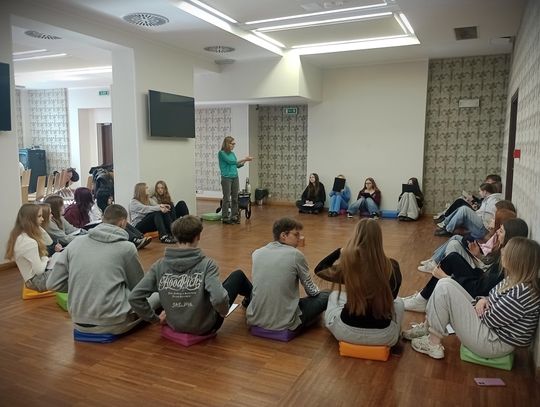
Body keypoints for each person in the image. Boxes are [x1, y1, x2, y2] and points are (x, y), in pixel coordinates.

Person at [402, 237, 540, 360]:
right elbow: (492, 298)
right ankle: (428, 328)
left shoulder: (521, 294)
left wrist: (480, 302)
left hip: (493, 342)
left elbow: (490, 319)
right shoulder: (514, 280)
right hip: (490, 332)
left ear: (517, 260)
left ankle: (433, 343)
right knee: (445, 283)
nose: (502, 252)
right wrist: (483, 300)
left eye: (506, 251)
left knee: (445, 287)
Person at [46, 204, 160, 335]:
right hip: (113, 322)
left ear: (103, 219)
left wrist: (80, 284)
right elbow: (138, 289)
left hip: (78, 322)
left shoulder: (75, 244)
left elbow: (52, 283)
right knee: (159, 295)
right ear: (123, 222)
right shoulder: (126, 247)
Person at [129, 216, 252, 335]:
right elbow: (219, 298)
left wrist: (155, 319)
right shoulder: (207, 265)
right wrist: (223, 312)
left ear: (175, 237)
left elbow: (135, 297)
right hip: (205, 327)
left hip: (174, 324)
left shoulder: (159, 265)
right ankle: (253, 303)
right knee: (238, 276)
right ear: (198, 236)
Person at [403, 218, 529, 313]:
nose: (497, 232)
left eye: (501, 231)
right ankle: (423, 297)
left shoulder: (506, 260)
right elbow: (486, 277)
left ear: (510, 236)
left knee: (452, 256)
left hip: (476, 293)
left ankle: (422, 299)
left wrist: (447, 278)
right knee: (453, 257)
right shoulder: (504, 251)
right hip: (480, 282)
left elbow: (479, 290)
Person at [314, 219, 403, 346]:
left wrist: (340, 251)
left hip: (346, 332)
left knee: (333, 296)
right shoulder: (392, 266)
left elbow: (320, 270)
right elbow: (392, 298)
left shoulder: (350, 266)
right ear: (379, 239)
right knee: (399, 303)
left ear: (356, 238)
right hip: (383, 337)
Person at [246, 218, 330, 331]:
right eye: (296, 235)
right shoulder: (296, 255)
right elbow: (311, 291)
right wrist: (319, 294)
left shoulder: (257, 253)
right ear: (283, 236)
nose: (299, 238)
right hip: (283, 322)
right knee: (328, 295)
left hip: (255, 318)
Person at [418, 206, 517, 273]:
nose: (491, 219)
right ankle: (434, 259)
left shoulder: (501, 244)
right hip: (479, 253)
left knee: (457, 237)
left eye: (494, 219)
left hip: (479, 259)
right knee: (456, 237)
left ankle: (435, 262)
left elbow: (487, 263)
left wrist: (478, 253)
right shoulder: (499, 237)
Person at [5, 203, 52, 292]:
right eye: (39, 216)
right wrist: (46, 259)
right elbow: (39, 271)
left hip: (31, 280)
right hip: (37, 282)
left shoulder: (20, 235)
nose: (43, 219)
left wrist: (37, 227)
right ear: (30, 219)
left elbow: (49, 242)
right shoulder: (29, 242)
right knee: (68, 269)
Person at [434, 182, 502, 238]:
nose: (479, 193)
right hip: (481, 223)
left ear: (485, 192)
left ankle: (448, 230)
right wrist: (476, 210)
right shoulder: (488, 199)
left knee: (464, 209)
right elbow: (483, 212)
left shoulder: (494, 201)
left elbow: (491, 217)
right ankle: (446, 225)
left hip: (484, 228)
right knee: (462, 207)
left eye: (480, 191)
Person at [433, 174, 502, 222]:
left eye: (488, 181)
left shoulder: (493, 194)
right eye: (486, 181)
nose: (486, 183)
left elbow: (483, 207)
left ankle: (445, 217)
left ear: (494, 183)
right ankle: (446, 216)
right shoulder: (489, 191)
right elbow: (482, 202)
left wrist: (473, 201)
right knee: (461, 199)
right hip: (477, 208)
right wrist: (473, 199)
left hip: (478, 212)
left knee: (460, 201)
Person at [218, 136, 253, 224]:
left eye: (234, 144)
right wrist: (244, 158)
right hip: (226, 177)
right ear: (227, 144)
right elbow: (231, 162)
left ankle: (234, 216)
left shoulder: (232, 154)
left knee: (235, 198)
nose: (234, 145)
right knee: (226, 198)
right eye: (232, 144)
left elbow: (237, 165)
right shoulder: (221, 153)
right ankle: (225, 218)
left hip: (235, 177)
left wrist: (245, 161)